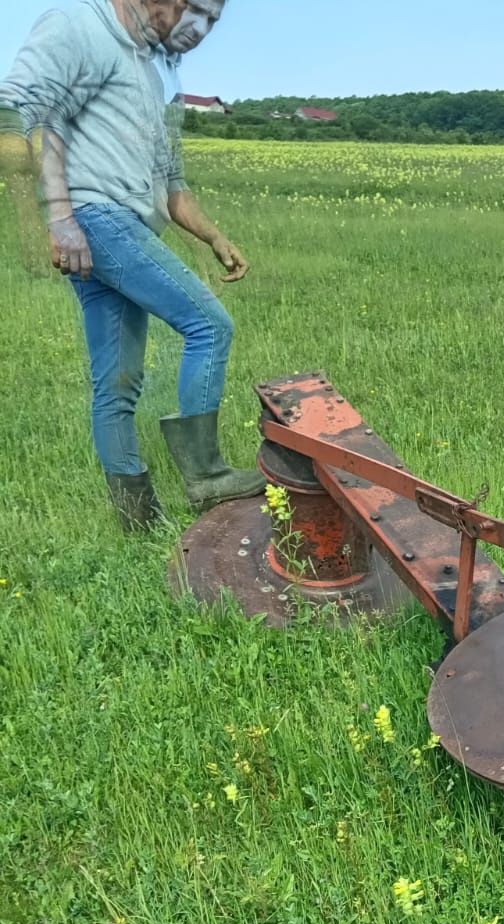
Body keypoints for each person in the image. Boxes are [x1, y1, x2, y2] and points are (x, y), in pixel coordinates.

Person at [0, 0, 264, 529]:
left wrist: (215, 237)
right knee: (209, 325)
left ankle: (135, 518)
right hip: (98, 219)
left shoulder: (154, 69)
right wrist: (59, 219)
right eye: (195, 11)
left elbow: (172, 184)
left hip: (120, 227)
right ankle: (206, 475)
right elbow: (15, 111)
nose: (201, 29)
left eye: (213, 20)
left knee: (116, 383)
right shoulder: (79, 26)